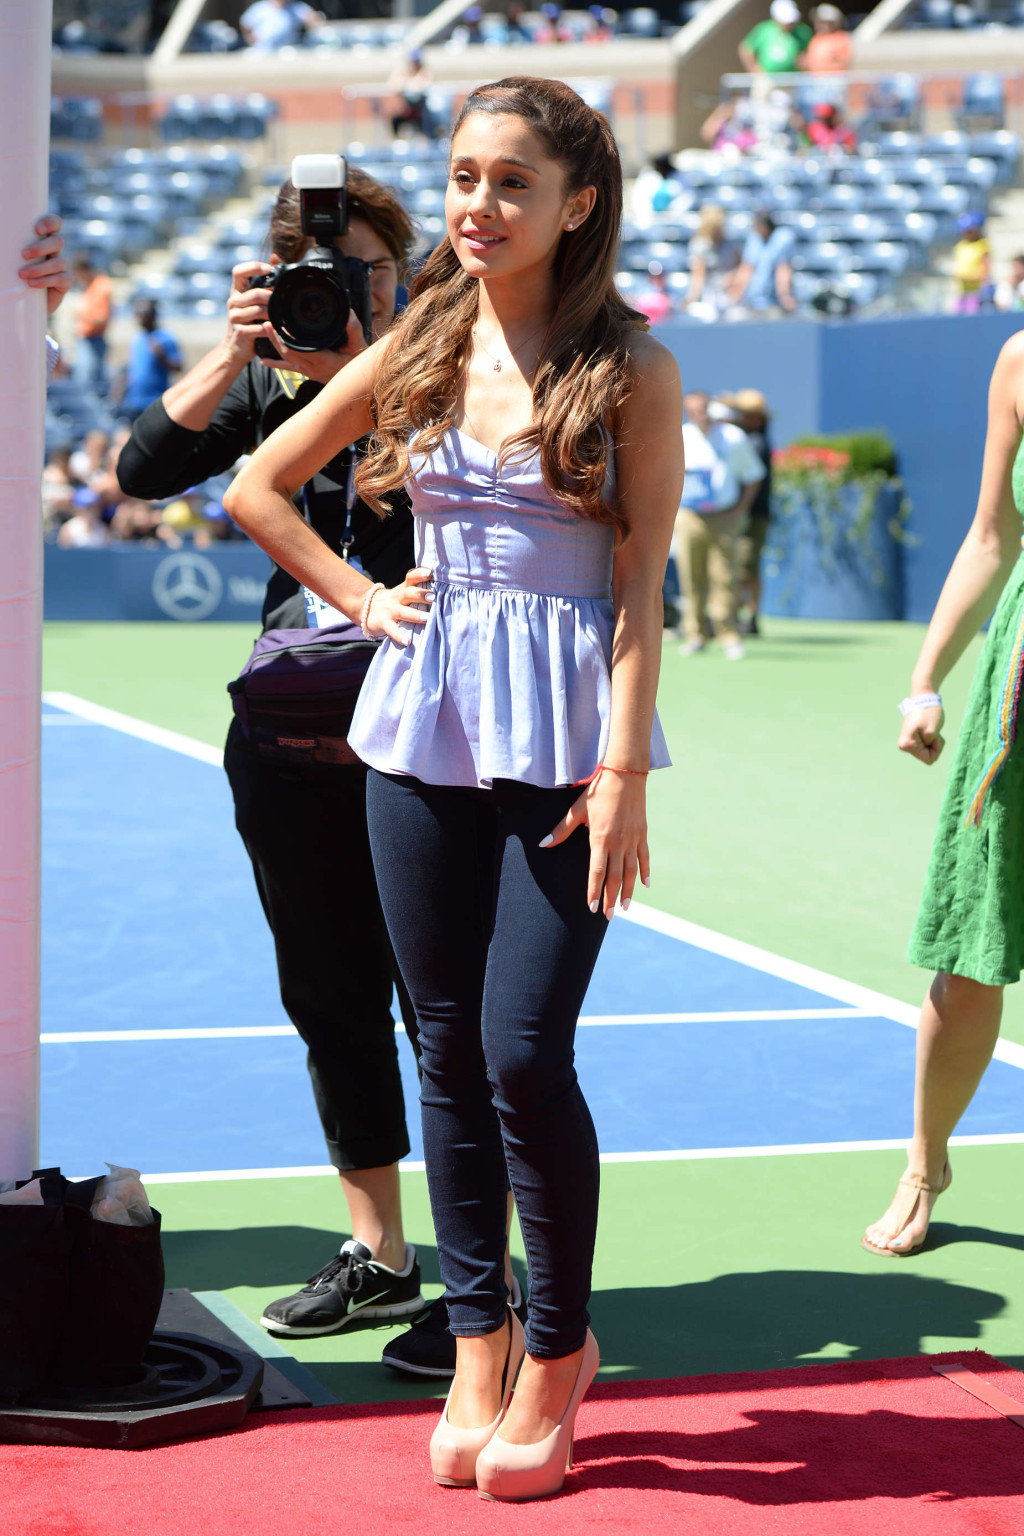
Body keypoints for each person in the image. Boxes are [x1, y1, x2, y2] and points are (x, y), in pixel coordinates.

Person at [223, 75, 682, 1501]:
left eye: (512, 184)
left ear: (578, 202)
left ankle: (560, 1349)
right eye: (466, 178)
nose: (478, 205)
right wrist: (365, 596)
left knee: (522, 1051)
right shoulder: (423, 335)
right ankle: (475, 1342)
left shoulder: (631, 370)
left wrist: (622, 772)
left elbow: (638, 595)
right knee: (439, 1046)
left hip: (563, 740)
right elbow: (259, 484)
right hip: (419, 721)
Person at [116, 168, 472, 1377]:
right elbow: (142, 469)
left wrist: (364, 369)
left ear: (407, 271)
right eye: (315, 278)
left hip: (433, 731)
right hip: (293, 738)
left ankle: (480, 1282)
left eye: (365, 272)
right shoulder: (268, 377)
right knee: (329, 997)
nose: (339, 294)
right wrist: (238, 351)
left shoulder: (450, 365)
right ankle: (379, 1251)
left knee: (449, 1014)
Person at [862, 332, 1024, 1259]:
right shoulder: (1018, 360)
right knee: (971, 959)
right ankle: (925, 1164)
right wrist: (925, 680)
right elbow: (993, 537)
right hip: (1018, 696)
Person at [676, 390, 764, 659]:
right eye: (694, 411)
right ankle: (695, 634)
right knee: (691, 575)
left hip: (724, 516)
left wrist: (739, 510)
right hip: (690, 515)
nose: (700, 415)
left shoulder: (733, 437)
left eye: (704, 408)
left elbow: (753, 475)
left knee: (724, 575)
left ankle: (728, 634)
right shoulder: (681, 436)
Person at [731, 389, 773, 636]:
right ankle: (746, 614)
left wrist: (740, 510)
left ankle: (748, 615)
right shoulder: (751, 439)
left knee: (746, 567)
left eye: (746, 414)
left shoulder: (755, 443)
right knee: (744, 567)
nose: (740, 418)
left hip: (752, 515)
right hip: (750, 514)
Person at [117, 300, 182, 422]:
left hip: (154, 401)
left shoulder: (165, 338)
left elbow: (178, 367)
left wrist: (162, 356)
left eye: (143, 314)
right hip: (135, 402)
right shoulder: (138, 338)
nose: (139, 318)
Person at [730, 210, 798, 314]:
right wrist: (737, 291)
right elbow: (747, 267)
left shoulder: (782, 238)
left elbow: (783, 268)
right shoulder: (754, 239)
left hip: (774, 303)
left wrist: (784, 295)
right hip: (752, 301)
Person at [684, 204, 741, 321]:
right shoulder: (700, 245)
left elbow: (742, 268)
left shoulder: (731, 244)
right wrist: (691, 299)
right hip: (710, 295)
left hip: (730, 293)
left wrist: (732, 280)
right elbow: (698, 276)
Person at [71, 255, 113, 395]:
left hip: (94, 340)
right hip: (87, 340)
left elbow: (102, 318)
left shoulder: (101, 285)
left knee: (88, 384)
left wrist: (83, 315)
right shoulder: (89, 286)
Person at [740, 0, 813, 75]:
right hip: (767, 80)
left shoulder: (802, 32)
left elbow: (810, 54)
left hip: (793, 79)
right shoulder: (764, 30)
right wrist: (755, 69)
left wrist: (804, 63)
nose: (788, 25)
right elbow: (746, 48)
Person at [951, 213, 993, 315]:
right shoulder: (959, 246)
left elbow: (985, 271)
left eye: (970, 231)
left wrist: (969, 276)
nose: (967, 233)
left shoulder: (983, 245)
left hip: (976, 292)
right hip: (961, 291)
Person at [239, 0, 323, 49]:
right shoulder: (261, 7)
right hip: (263, 49)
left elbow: (313, 19)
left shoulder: (296, 7)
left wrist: (315, 19)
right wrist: (251, 39)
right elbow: (245, 23)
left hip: (287, 49)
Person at [800, 4, 852, 72]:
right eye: (818, 21)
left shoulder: (841, 38)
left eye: (824, 22)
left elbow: (844, 62)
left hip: (834, 79)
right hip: (815, 80)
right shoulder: (816, 39)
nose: (819, 25)